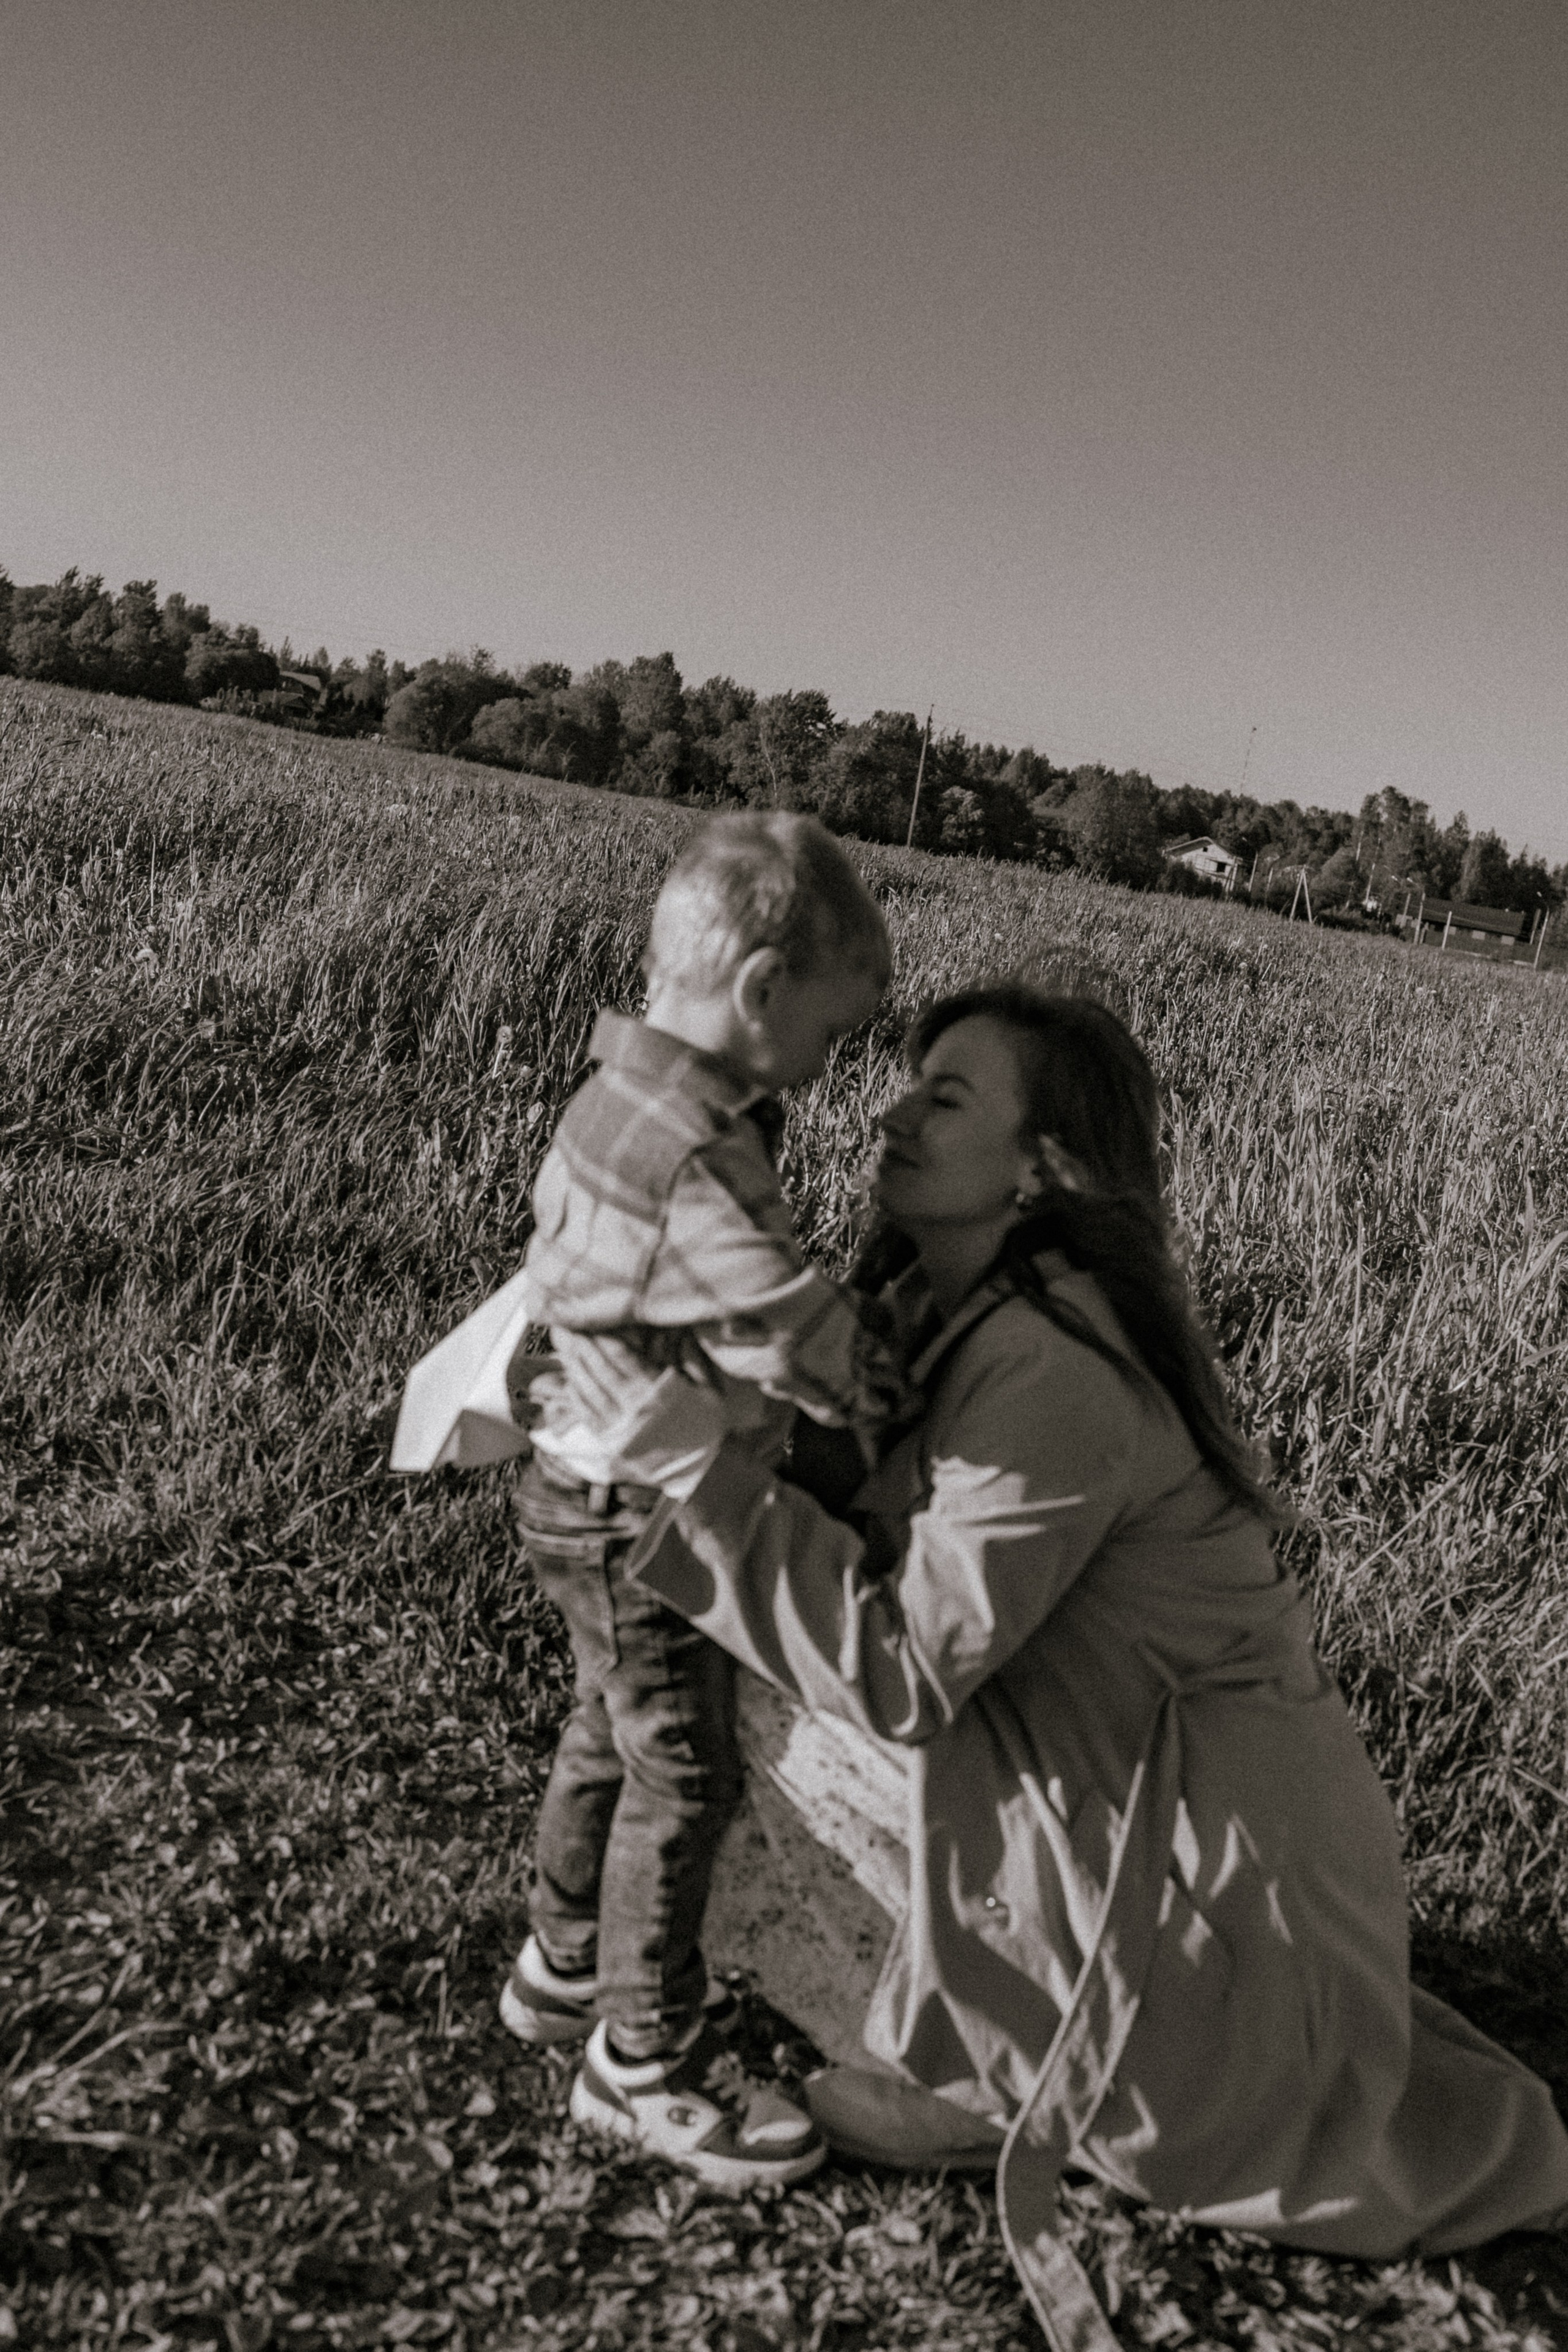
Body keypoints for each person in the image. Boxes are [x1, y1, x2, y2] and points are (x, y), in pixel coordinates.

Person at [628, 982, 1568, 2348]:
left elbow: (901, 1669)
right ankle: (968, 2025)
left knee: (742, 1677)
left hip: (1199, 1866)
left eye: (944, 1095)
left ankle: (997, 2076)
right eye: (908, 1081)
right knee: (725, 1643)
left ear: (1043, 1167)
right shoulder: (956, 1310)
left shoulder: (1055, 1367)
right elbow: (852, 1504)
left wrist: (686, 1481)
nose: (893, 1109)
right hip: (1124, 1794)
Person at [501, 811, 911, 2192]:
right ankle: (641, 2061)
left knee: (607, 1733)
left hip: (580, 1479)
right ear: (759, 992)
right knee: (685, 1772)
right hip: (644, 1501)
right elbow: (774, 1319)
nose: (832, 1064)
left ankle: (563, 1963)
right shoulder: (696, 1152)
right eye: (835, 1034)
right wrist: (876, 1380)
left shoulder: (614, 1096)